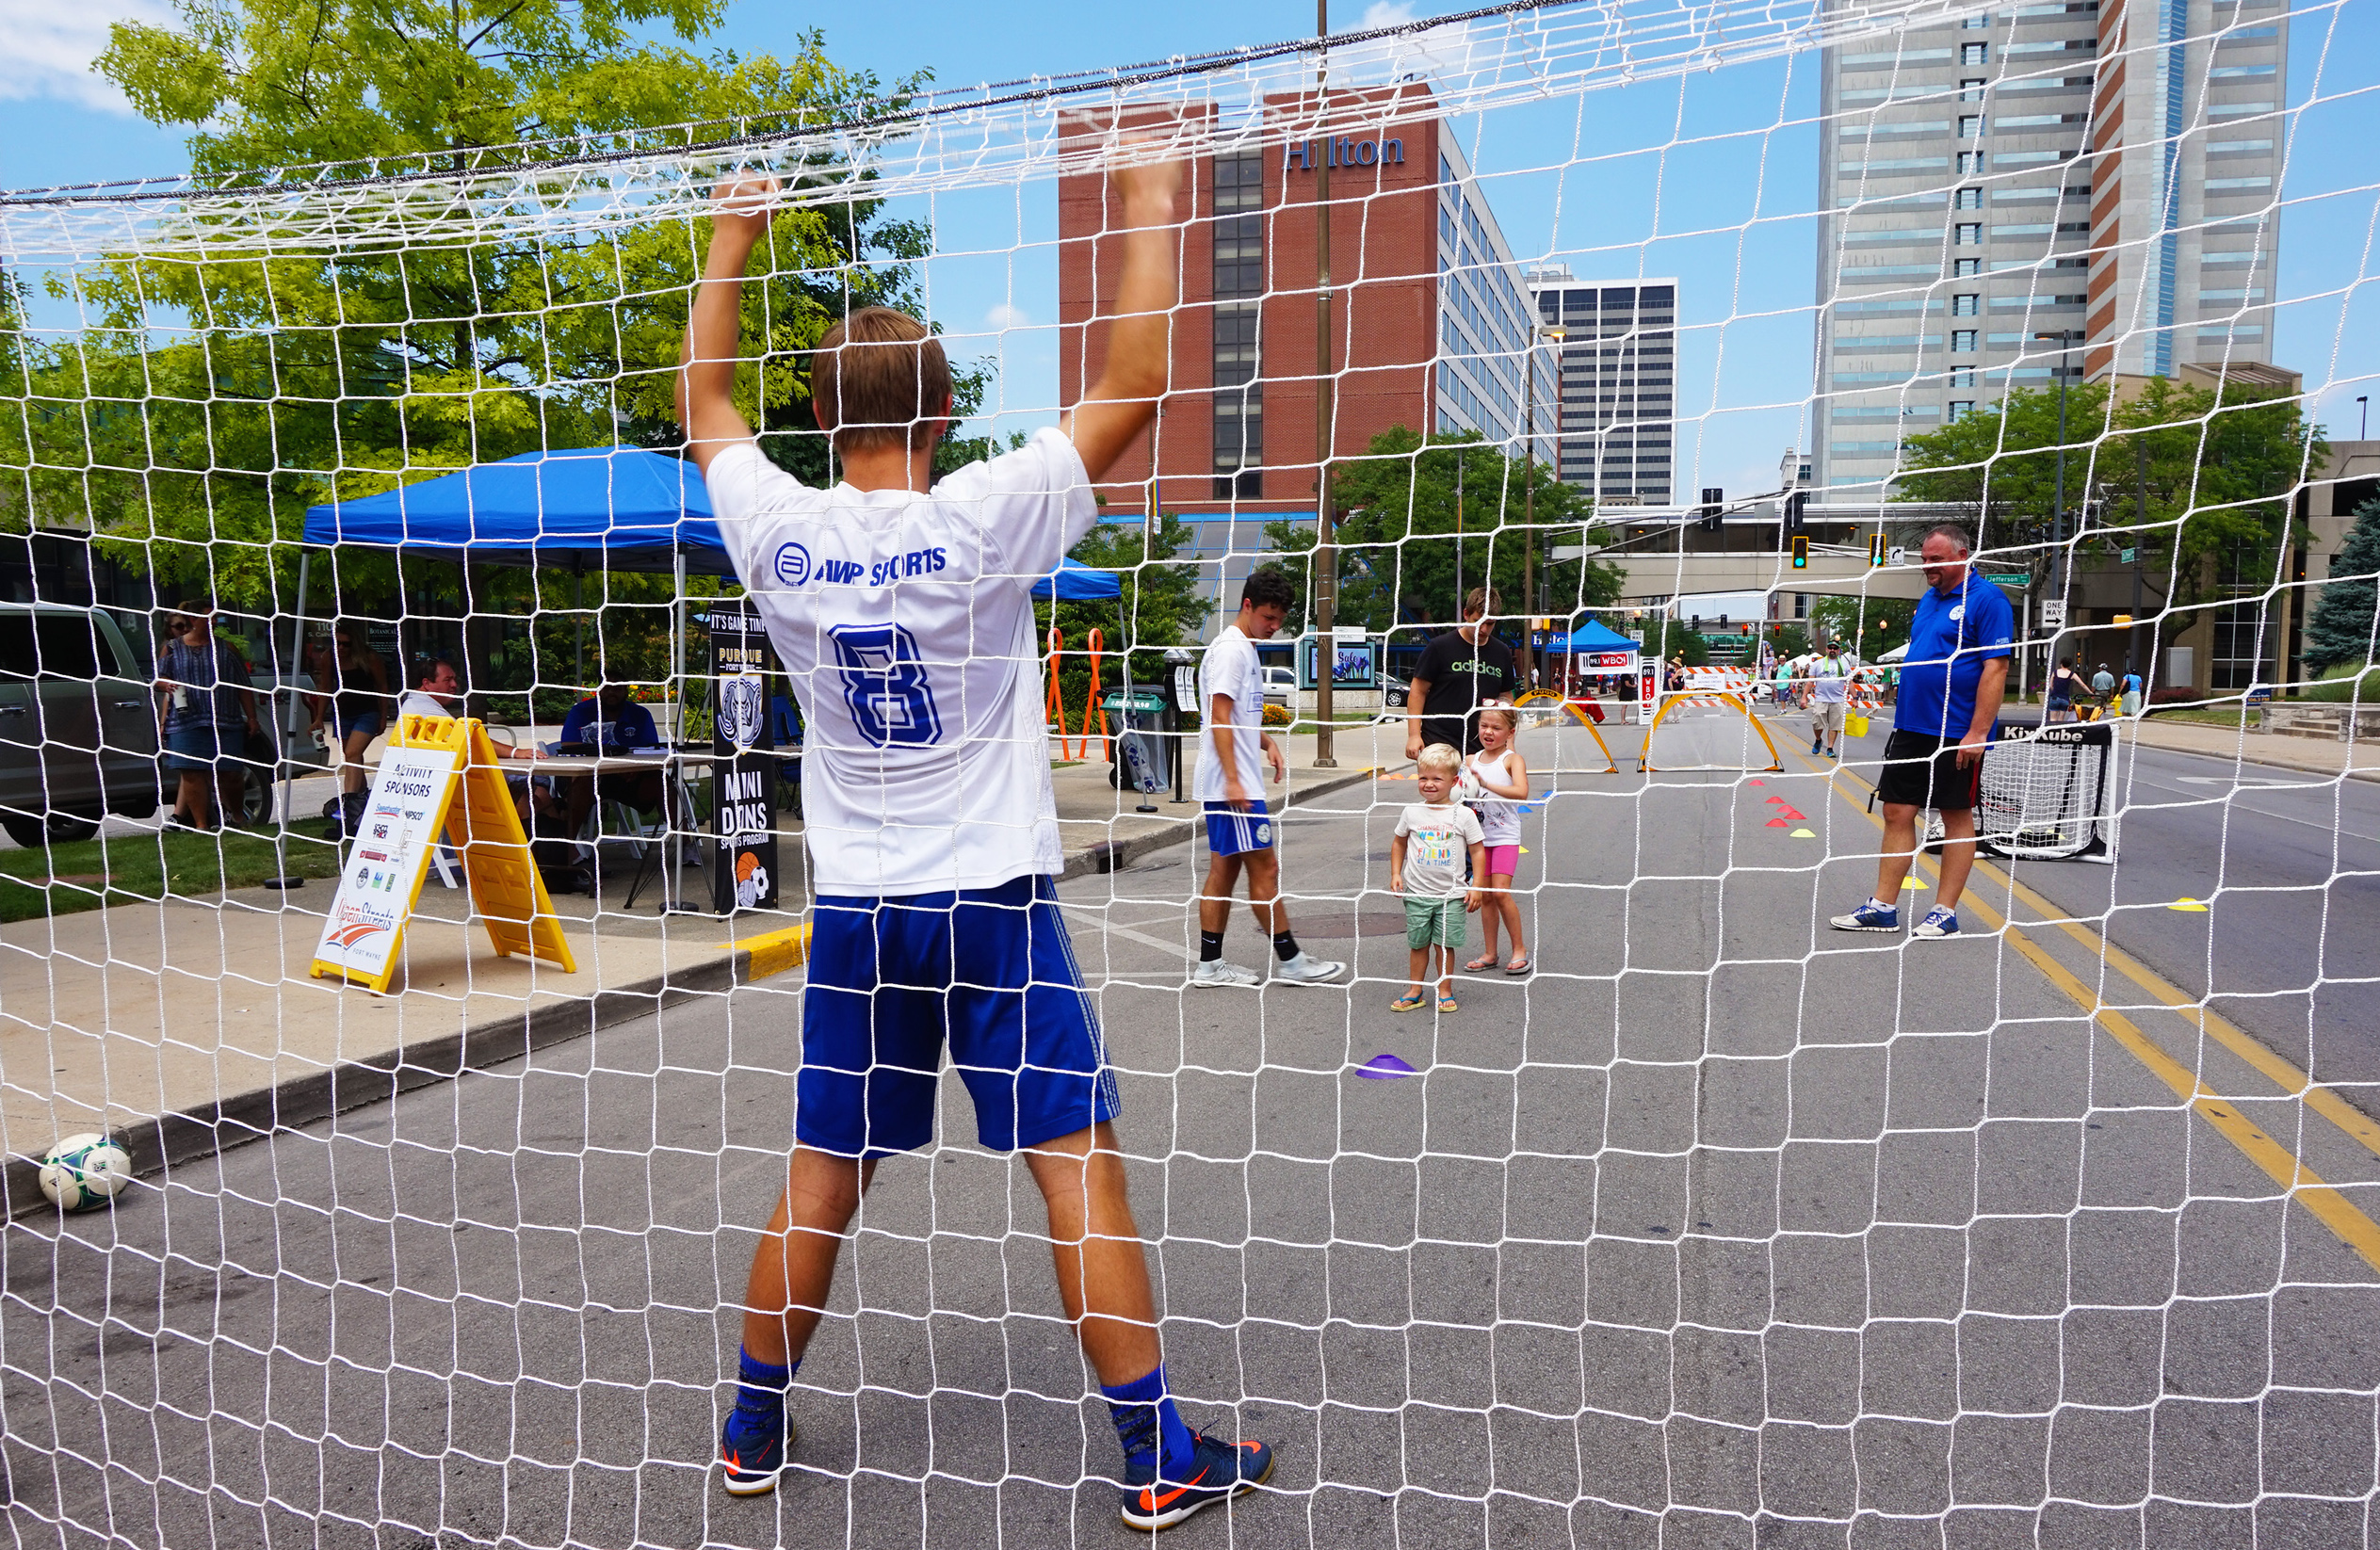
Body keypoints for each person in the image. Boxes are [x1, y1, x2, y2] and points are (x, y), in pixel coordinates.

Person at [678, 156, 1274, 1529]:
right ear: (941, 412)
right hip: (990, 900)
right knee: (1074, 1164)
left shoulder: (775, 527)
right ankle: (1154, 1453)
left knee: (825, 1171)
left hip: (860, 913)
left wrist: (733, 231)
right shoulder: (979, 514)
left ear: (818, 417)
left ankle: (752, 1423)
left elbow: (703, 404)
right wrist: (1143, 200)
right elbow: (1134, 381)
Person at [1829, 525, 2013, 941]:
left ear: (1962, 555)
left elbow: (1996, 668)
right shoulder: (1929, 599)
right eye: (1924, 559)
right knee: (1897, 811)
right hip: (1910, 726)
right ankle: (1883, 908)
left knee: (1955, 816)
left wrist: (1978, 731)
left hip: (1956, 731)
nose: (1927, 567)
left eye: (1935, 560)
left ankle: (1944, 913)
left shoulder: (1988, 600)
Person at [1190, 571, 1347, 989]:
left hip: (1229, 781)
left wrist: (1264, 740)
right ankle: (1292, 960)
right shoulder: (1231, 651)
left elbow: (1235, 715)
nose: (1274, 626)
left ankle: (1209, 966)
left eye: (1280, 619)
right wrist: (1235, 780)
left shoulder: (1244, 647)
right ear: (1247, 605)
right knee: (1267, 868)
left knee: (1223, 871)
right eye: (1268, 616)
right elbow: (1219, 717)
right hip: (1233, 787)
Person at [1390, 743, 1487, 1013]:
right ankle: (1415, 990)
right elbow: (1398, 843)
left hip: (1452, 896)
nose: (1429, 784)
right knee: (1418, 944)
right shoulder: (1411, 812)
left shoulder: (1464, 815)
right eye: (1423, 777)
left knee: (1444, 946)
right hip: (1417, 894)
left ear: (1454, 781)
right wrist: (1396, 873)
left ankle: (1445, 990)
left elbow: (1477, 852)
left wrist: (1476, 886)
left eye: (1437, 779)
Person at [400, 655, 548, 828]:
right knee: (537, 794)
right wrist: (516, 752)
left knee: (540, 794)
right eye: (447, 680)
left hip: (442, 788)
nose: (454, 685)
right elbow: (470, 740)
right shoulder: (423, 710)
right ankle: (544, 846)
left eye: (454, 679)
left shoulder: (415, 704)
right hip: (457, 792)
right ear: (427, 683)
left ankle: (566, 850)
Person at [154, 604, 265, 832]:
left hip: (225, 720)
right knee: (192, 772)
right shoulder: (172, 648)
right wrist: (167, 684)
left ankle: (237, 817)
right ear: (192, 620)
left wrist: (252, 718)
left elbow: (243, 686)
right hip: (185, 721)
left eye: (216, 618)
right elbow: (157, 680)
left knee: (231, 774)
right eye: (208, 618)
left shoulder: (227, 649)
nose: (214, 622)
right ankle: (201, 826)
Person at [1404, 586, 1516, 761]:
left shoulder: (1501, 652)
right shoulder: (1440, 647)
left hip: (1483, 746)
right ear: (1466, 614)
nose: (1484, 630)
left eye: (1490, 624)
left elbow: (1506, 696)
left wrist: (1509, 742)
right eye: (1478, 621)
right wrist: (1413, 735)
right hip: (1439, 742)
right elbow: (1418, 690)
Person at [1462, 705, 1530, 975]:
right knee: (1486, 897)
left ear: (1510, 732)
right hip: (1478, 840)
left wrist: (1485, 784)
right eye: (1484, 726)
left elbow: (1521, 792)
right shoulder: (1471, 760)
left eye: (1496, 728)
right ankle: (1490, 953)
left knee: (1501, 893)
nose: (1488, 732)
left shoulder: (1512, 760)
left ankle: (1519, 950)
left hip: (1505, 836)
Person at [553, 677, 665, 839]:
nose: (611, 693)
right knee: (581, 783)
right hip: (589, 775)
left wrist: (634, 769)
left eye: (617, 688)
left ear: (626, 691)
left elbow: (651, 749)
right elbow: (569, 744)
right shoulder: (581, 711)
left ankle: (687, 845)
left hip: (629, 777)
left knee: (665, 782)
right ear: (598, 690)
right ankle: (567, 851)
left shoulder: (640, 714)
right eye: (606, 688)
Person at [321, 626, 392, 795]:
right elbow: (325, 688)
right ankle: (361, 798)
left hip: (367, 712)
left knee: (352, 752)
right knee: (352, 758)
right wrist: (318, 718)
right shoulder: (329, 657)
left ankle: (349, 799)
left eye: (346, 644)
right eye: (337, 643)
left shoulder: (369, 658)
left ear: (355, 644)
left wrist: (383, 716)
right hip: (342, 713)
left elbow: (382, 686)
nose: (341, 648)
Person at [1808, 648, 1850, 758]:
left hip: (1837, 699)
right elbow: (1810, 681)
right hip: (1821, 698)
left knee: (1834, 725)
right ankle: (1818, 740)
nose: (1832, 650)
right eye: (1830, 648)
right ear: (1826, 650)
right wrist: (1804, 697)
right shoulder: (1818, 664)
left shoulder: (1844, 665)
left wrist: (1855, 697)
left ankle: (1830, 748)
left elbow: (1850, 682)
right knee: (1817, 721)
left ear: (1839, 651)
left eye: (1835, 648)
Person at [2046, 655, 2079, 724]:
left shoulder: (2055, 672)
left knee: (2053, 718)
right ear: (2069, 665)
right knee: (2061, 719)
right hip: (2065, 698)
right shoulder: (2071, 674)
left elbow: (2051, 685)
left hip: (2055, 697)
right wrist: (2090, 692)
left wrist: (2054, 689)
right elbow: (2082, 684)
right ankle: (2060, 731)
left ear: (2061, 663)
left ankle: (2052, 731)